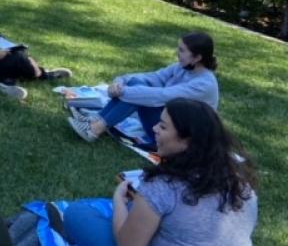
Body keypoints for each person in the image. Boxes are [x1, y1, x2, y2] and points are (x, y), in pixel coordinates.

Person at [59, 98, 258, 245]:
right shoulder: (242, 183)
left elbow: (128, 244)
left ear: (186, 140)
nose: (154, 129)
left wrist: (119, 201)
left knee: (77, 213)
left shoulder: (162, 187)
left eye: (162, 126)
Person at [68, 32, 218, 144]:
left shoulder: (204, 84)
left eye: (182, 50)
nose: (177, 53)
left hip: (183, 139)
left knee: (142, 95)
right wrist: (120, 82)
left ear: (197, 58)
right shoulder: (182, 67)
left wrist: (123, 91)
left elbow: (162, 96)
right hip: (169, 125)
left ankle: (95, 128)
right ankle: (95, 122)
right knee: (138, 86)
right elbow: (153, 77)